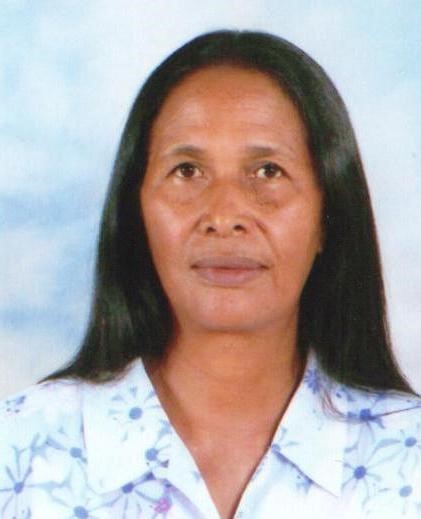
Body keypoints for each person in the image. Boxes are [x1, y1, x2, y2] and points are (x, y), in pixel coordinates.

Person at [0, 30, 420, 519]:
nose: (224, 215)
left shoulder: (409, 461)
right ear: (136, 211)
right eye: (187, 171)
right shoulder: (20, 453)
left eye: (267, 171)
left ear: (328, 216)